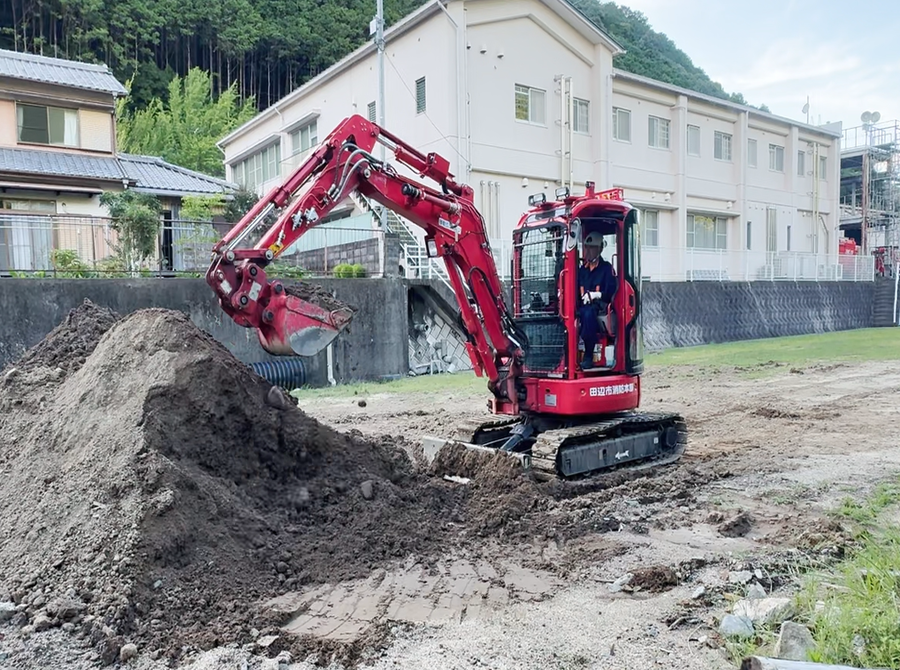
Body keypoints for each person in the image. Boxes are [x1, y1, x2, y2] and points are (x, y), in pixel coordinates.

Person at [577, 231, 617, 369]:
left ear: (600, 249)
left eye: (593, 247)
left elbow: (611, 292)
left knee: (588, 314)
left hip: (598, 306)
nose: (589, 251)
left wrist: (596, 295)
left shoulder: (606, 269)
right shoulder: (582, 270)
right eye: (587, 247)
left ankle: (588, 355)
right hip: (581, 306)